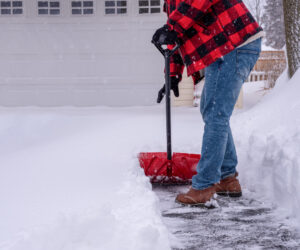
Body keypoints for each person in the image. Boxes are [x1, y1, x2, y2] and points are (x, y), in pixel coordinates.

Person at [152, 0, 264, 206]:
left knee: (215, 113)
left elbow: (180, 22)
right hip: (222, 46)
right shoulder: (170, 3)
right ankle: (227, 178)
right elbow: (176, 37)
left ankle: (204, 186)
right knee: (210, 110)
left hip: (235, 41)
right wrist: (172, 75)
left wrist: (172, 27)